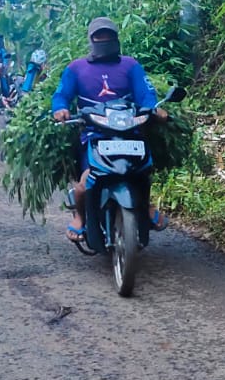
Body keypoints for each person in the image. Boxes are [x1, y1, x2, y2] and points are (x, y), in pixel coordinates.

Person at [51, 17, 169, 242]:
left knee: (142, 171)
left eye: (108, 36)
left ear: (116, 38)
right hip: (94, 134)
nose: (104, 40)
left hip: (130, 131)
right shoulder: (76, 68)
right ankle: (80, 216)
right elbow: (61, 95)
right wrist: (60, 109)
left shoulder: (130, 65)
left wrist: (154, 109)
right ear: (91, 39)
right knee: (86, 183)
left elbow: (145, 93)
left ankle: (145, 206)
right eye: (99, 36)